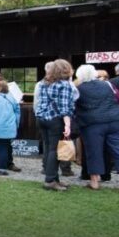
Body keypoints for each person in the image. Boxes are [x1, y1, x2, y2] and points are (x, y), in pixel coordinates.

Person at [74, 65, 119, 193]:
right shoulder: (108, 85)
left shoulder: (78, 89)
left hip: (92, 124)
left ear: (79, 76)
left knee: (94, 152)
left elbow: (75, 107)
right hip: (117, 121)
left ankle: (94, 182)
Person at [34, 59, 75, 191]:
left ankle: (55, 178)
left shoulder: (43, 83)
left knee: (49, 148)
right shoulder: (65, 84)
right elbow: (64, 107)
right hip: (55, 120)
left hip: (42, 118)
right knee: (55, 150)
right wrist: (68, 125)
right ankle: (50, 180)